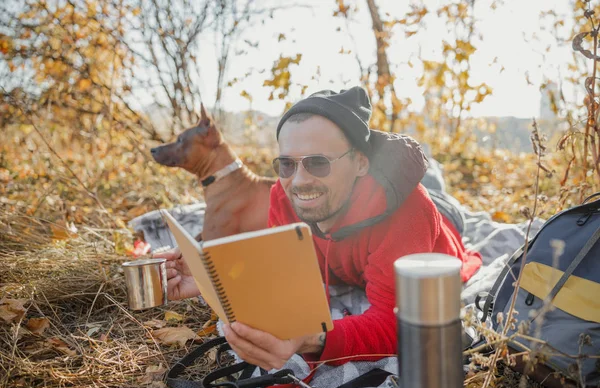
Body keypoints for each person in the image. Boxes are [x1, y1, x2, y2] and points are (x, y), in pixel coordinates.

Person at [155, 86, 482, 372]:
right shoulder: (281, 195)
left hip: (441, 218)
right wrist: (210, 274)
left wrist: (315, 340)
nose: (298, 181)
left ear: (360, 162)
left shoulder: (408, 214)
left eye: (318, 163)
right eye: (287, 163)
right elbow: (279, 267)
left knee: (436, 186)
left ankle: (431, 170)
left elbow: (397, 324)